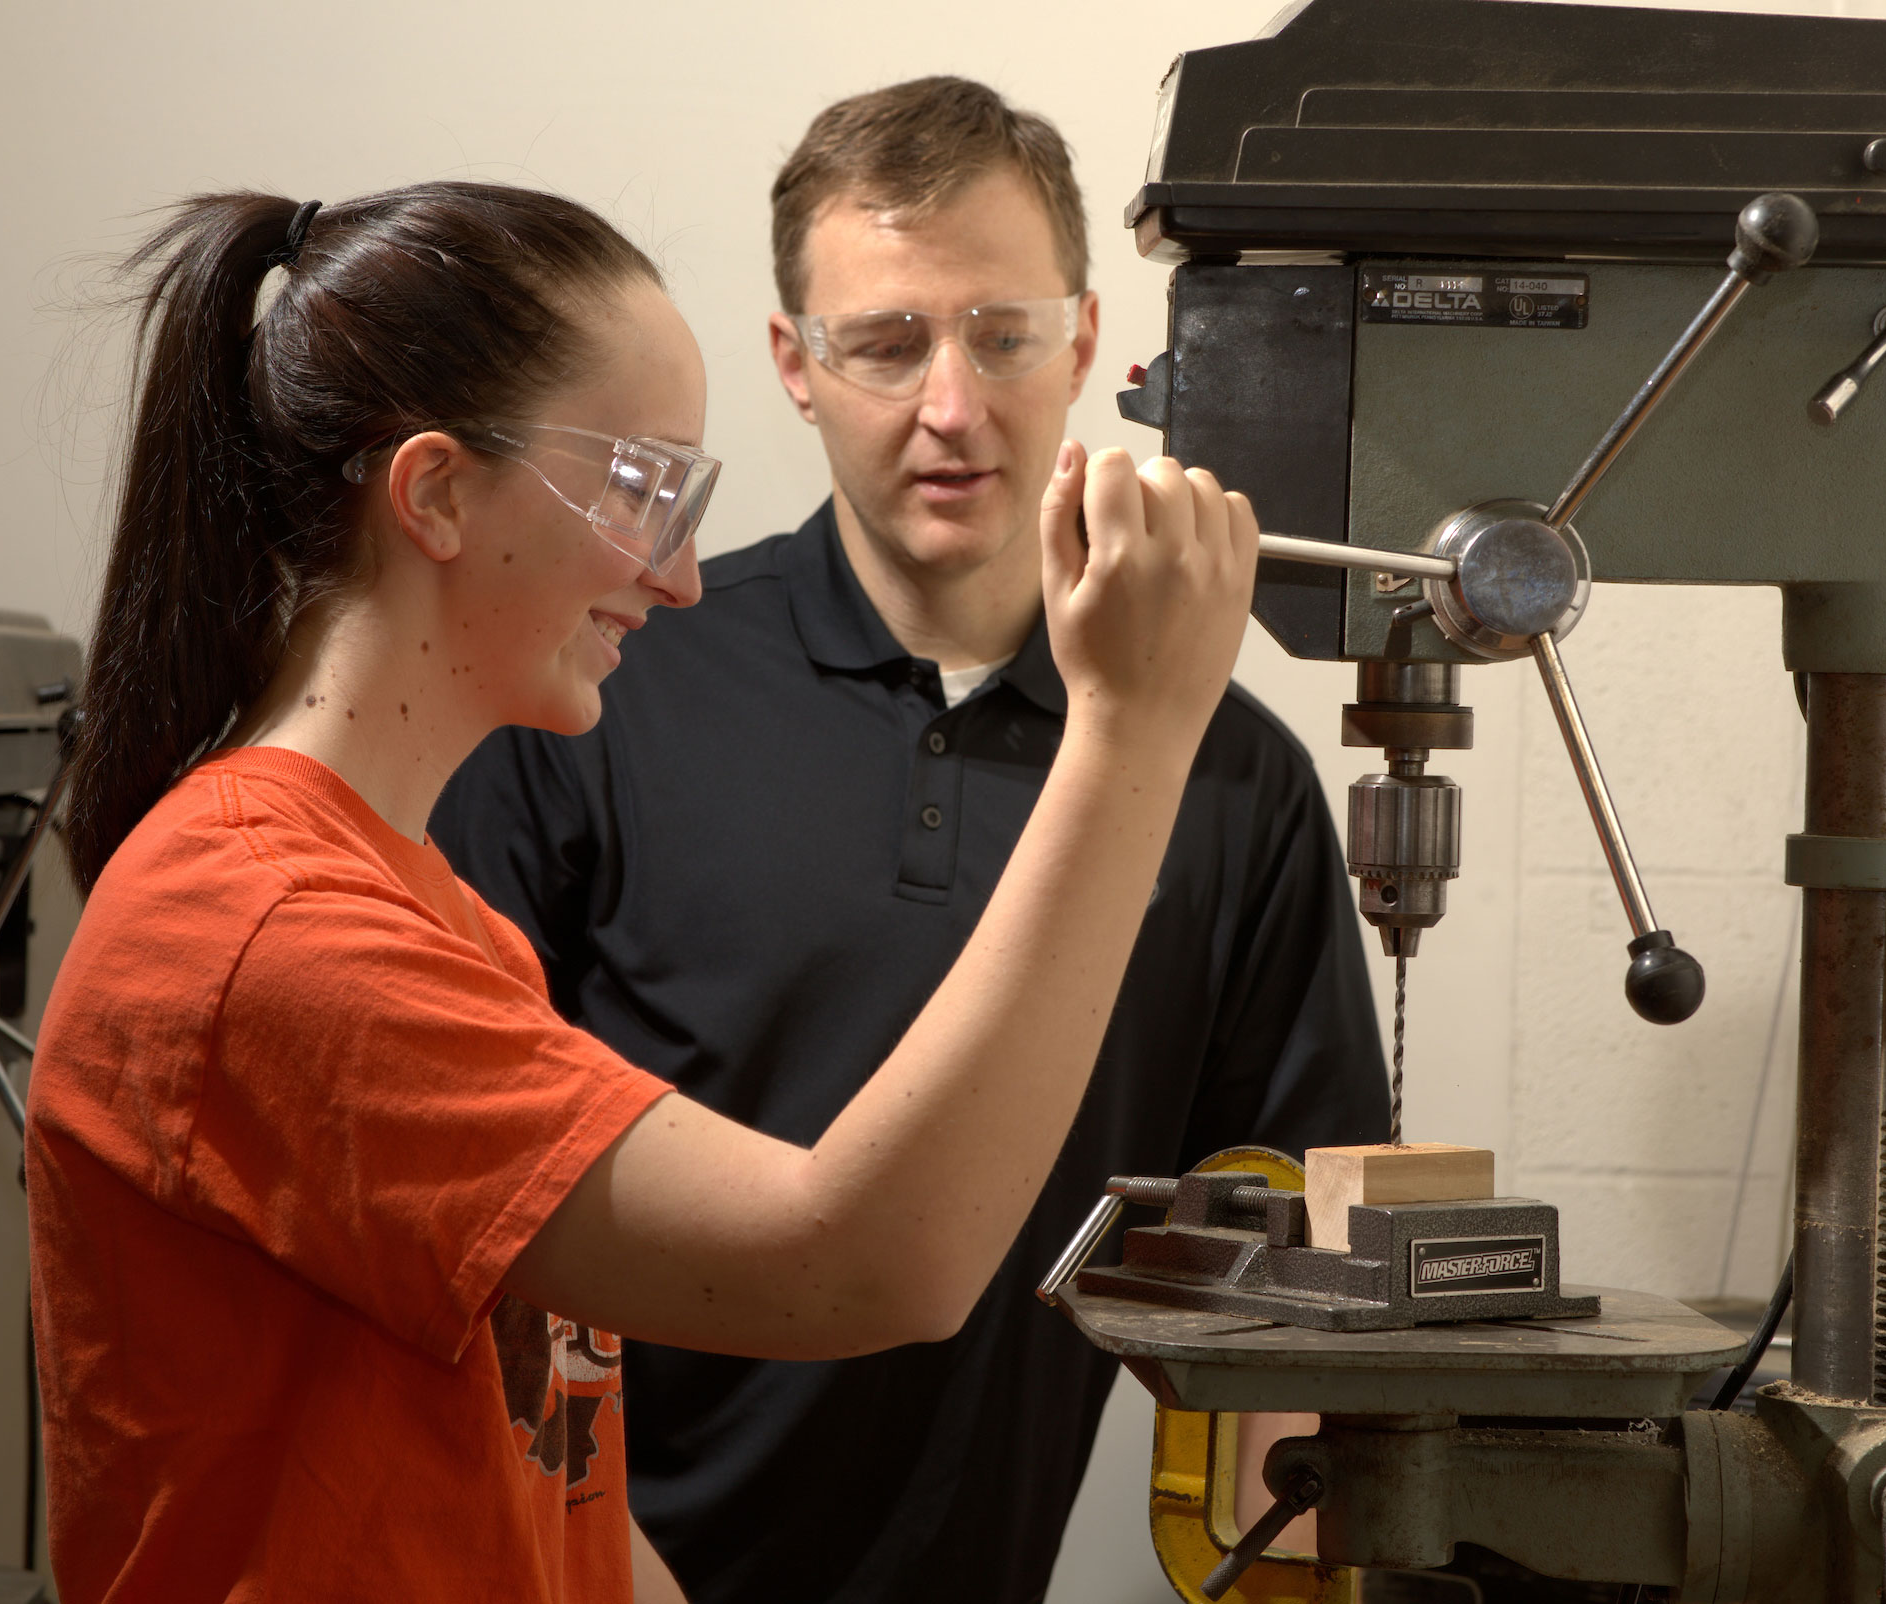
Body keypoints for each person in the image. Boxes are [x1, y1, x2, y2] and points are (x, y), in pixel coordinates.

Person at [24, 179, 1260, 1604]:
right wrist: (1133, 733)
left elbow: (559, 1496)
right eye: (637, 488)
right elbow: (863, 1262)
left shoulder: (436, 918)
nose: (677, 580)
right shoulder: (264, 934)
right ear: (434, 492)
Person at [429, 79, 1389, 1604]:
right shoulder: (597, 694)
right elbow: (464, 1242)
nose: (953, 406)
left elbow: (1291, 1248)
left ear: (1084, 341)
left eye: (1002, 336)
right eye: (886, 343)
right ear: (794, 367)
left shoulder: (1222, 774)